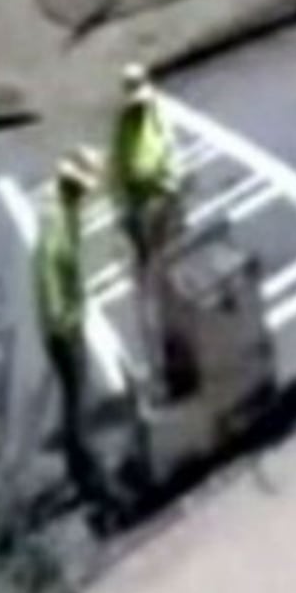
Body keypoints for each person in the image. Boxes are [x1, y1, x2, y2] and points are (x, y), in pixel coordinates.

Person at [33, 153, 107, 507]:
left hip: (64, 321)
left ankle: (79, 464)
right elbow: (49, 274)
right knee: (79, 395)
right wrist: (64, 319)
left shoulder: (66, 217)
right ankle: (85, 468)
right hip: (63, 327)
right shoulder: (58, 224)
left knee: (75, 394)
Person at [109, 63, 186, 397]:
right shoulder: (123, 128)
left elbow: (171, 160)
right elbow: (119, 177)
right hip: (143, 216)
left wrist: (170, 195)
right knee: (152, 294)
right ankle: (165, 364)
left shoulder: (158, 116)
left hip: (165, 210)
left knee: (174, 289)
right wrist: (128, 216)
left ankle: (179, 355)